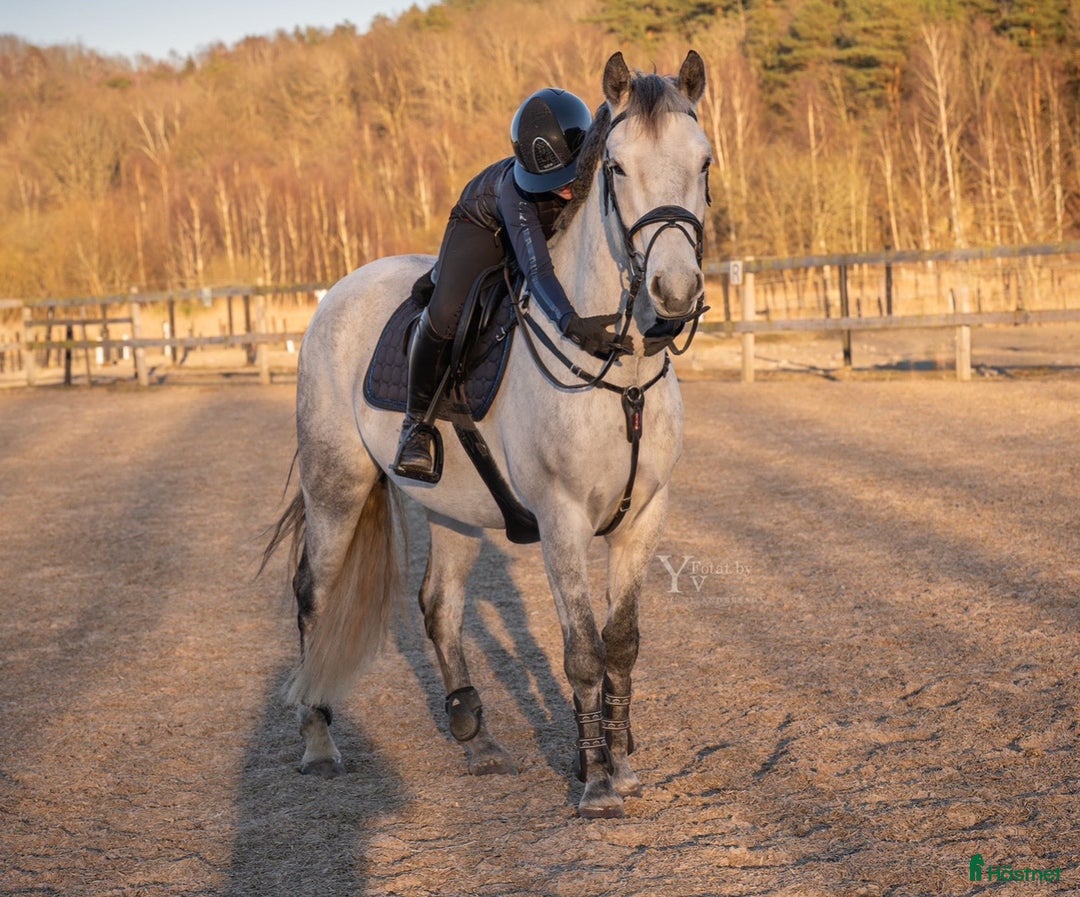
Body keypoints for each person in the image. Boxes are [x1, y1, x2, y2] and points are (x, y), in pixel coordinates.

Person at [392, 87, 631, 483]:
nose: (568, 188)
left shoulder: (603, 163)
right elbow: (536, 269)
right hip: (483, 225)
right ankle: (415, 425)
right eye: (557, 181)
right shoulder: (516, 192)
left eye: (574, 175)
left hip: (535, 227)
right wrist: (571, 324)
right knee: (444, 316)